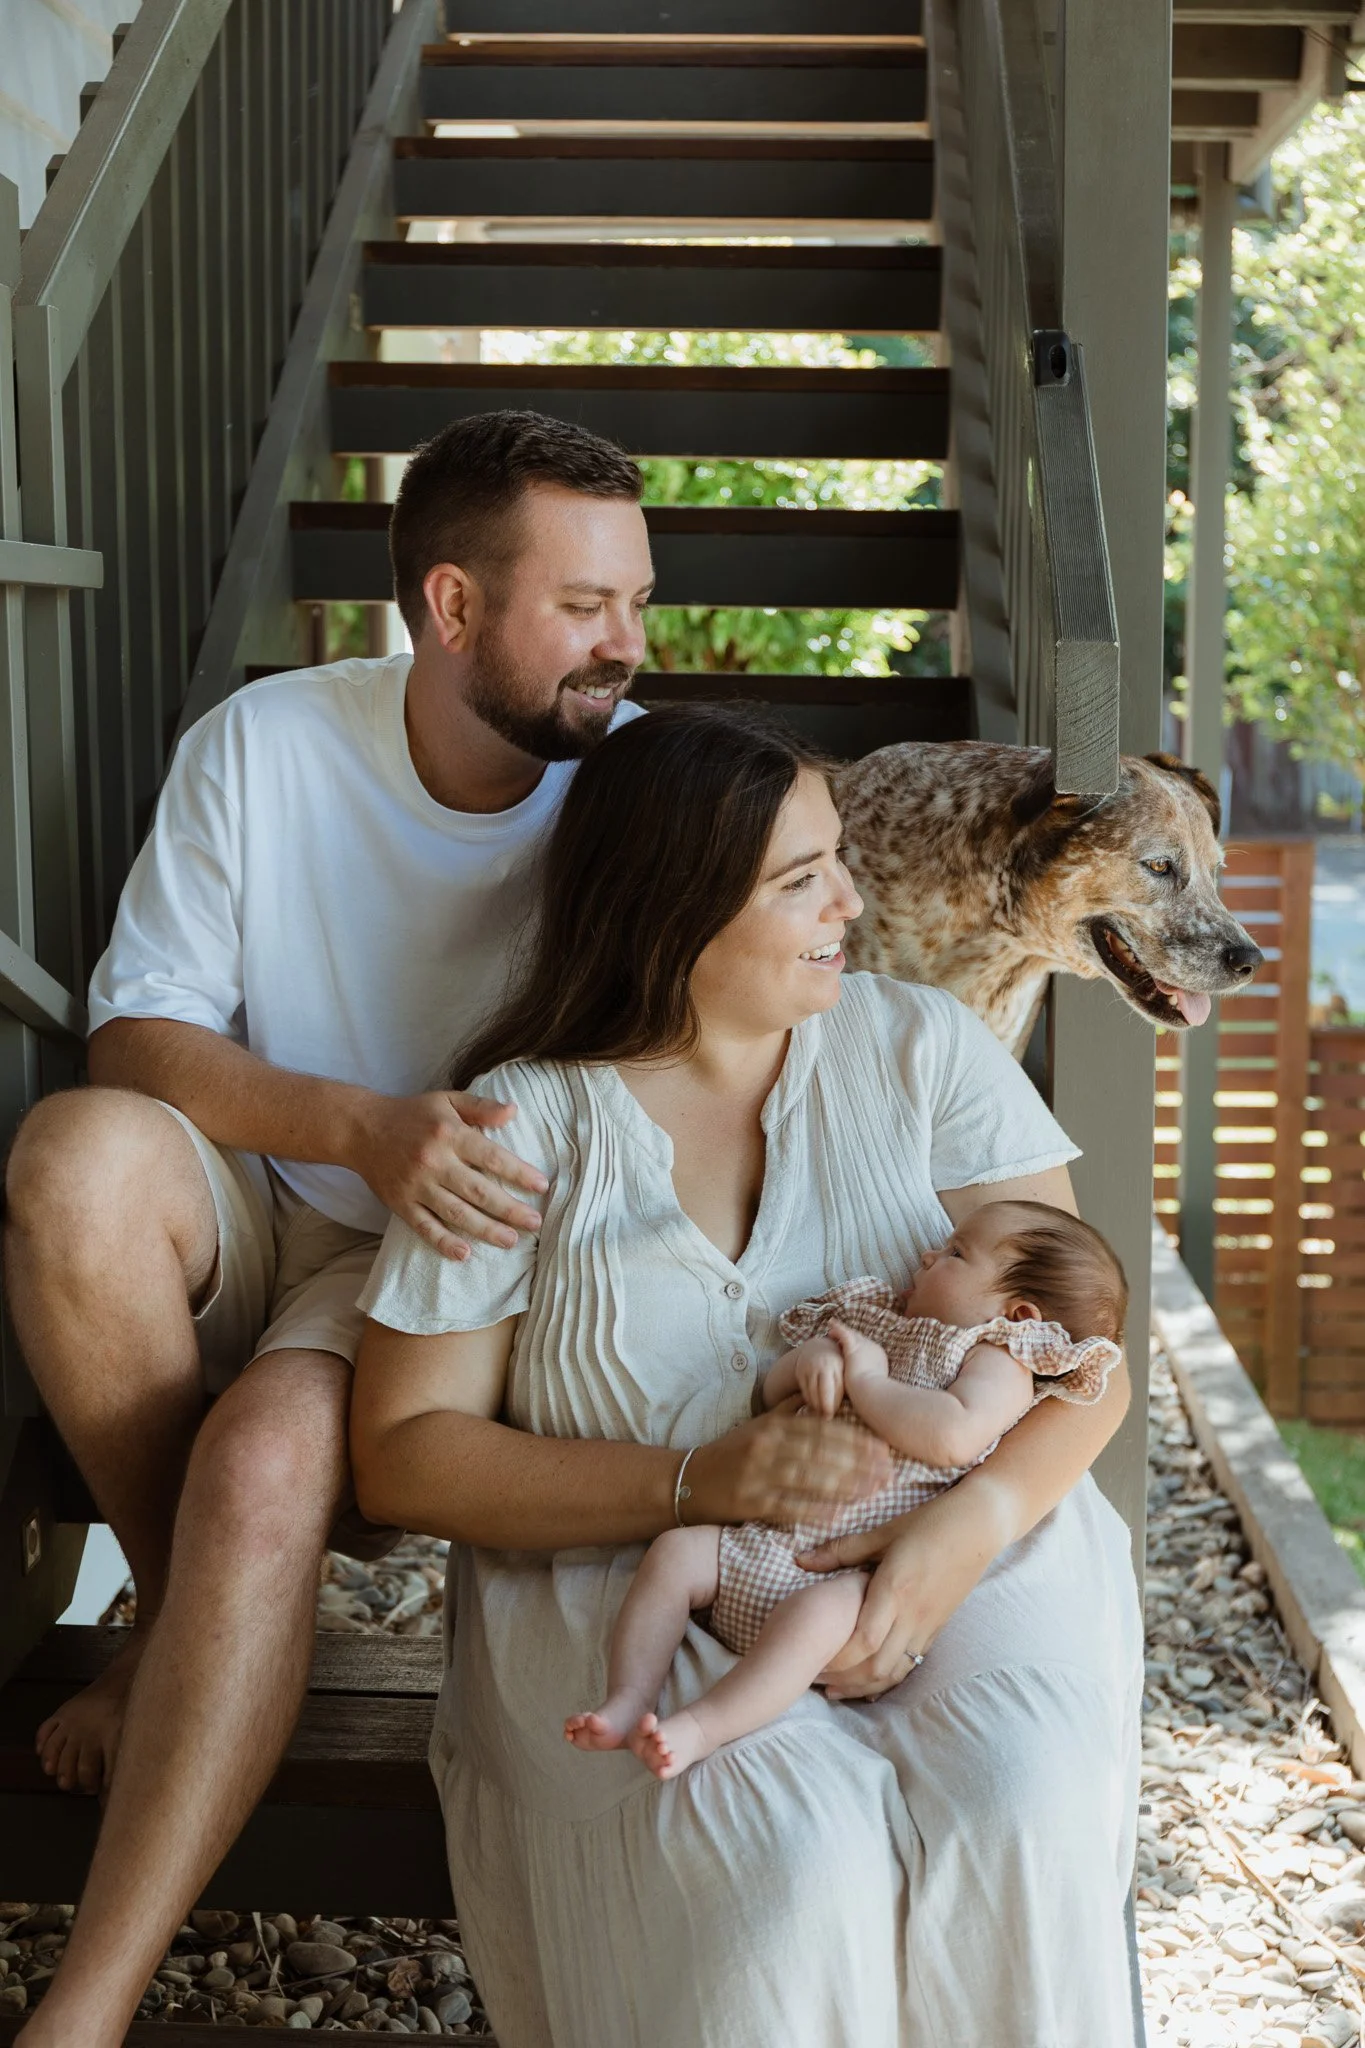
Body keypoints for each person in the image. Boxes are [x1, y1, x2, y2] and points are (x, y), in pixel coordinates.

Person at [1, 411, 841, 2048]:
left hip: (455, 1267)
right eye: (587, 603)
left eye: (640, 598)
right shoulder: (268, 745)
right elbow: (138, 1037)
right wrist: (360, 1129)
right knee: (78, 1157)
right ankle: (189, 1614)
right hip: (287, 1188)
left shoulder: (646, 786)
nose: (630, 643)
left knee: (262, 1461)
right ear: (451, 609)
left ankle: (75, 2013)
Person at [351, 705, 1146, 2048]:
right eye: (802, 881)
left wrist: (961, 1531)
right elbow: (406, 1449)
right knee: (792, 1867)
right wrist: (690, 1479)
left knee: (1020, 1803)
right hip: (629, 1581)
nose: (850, 900)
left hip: (960, 1539)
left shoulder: (921, 1049)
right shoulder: (518, 1124)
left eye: (836, 858)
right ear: (672, 913)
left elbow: (1088, 1364)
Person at [566, 1199, 1127, 1780]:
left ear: (1017, 1313)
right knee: (673, 1554)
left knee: (813, 1618)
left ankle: (702, 1728)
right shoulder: (878, 1319)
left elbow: (954, 1436)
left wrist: (866, 1380)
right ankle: (629, 1696)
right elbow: (770, 1393)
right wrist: (808, 1364)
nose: (930, 1253)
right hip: (765, 1541)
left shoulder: (996, 1360)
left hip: (846, 1580)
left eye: (957, 1254)